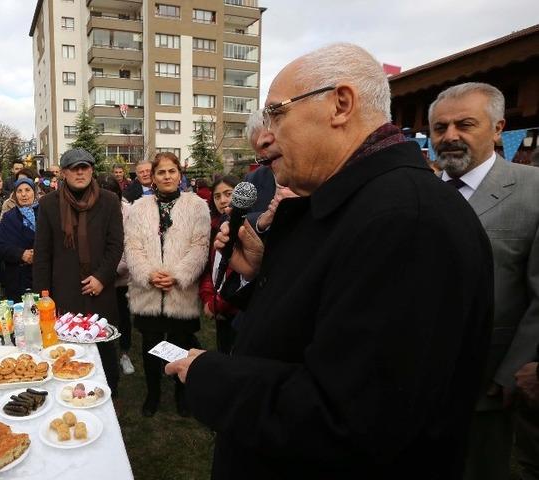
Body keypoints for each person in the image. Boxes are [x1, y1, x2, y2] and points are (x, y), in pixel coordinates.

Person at [165, 43, 494, 478]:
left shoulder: (405, 222)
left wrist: (209, 375)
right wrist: (263, 273)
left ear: (341, 105)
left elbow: (349, 418)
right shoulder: (351, 202)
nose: (264, 136)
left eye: (276, 114)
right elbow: (318, 322)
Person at [428, 82, 539, 480]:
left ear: (497, 128)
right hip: (413, 380)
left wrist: (514, 370)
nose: (450, 136)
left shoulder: (534, 191)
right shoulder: (417, 193)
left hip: (487, 386)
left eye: (465, 124)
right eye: (440, 128)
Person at [125, 152, 210, 417]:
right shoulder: (138, 208)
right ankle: (152, 393)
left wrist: (177, 274)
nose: (167, 177)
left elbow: (200, 246)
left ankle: (181, 392)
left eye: (171, 171)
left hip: (179, 292)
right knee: (150, 344)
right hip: (148, 291)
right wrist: (149, 274)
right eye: (161, 172)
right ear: (153, 177)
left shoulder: (197, 206)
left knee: (180, 344)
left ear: (179, 175)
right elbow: (133, 247)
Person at [33, 148, 124, 395]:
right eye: (74, 168)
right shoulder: (49, 204)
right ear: (63, 173)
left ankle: (108, 393)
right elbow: (42, 253)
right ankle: (69, 391)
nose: (80, 172)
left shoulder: (109, 201)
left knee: (103, 345)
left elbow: (116, 245)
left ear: (92, 170)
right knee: (67, 347)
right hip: (65, 289)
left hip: (99, 288)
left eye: (85, 167)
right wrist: (42, 296)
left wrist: (102, 277)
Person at [96, 173, 135, 375]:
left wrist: (109, 271)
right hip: (98, 280)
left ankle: (124, 353)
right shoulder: (93, 211)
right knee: (101, 320)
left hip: (120, 278)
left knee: (122, 318)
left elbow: (130, 247)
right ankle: (103, 356)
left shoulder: (128, 213)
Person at [199, 175, 241, 354]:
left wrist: (218, 303)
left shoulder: (249, 227)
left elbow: (240, 274)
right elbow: (210, 268)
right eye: (217, 196)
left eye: (228, 194)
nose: (223, 200)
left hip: (239, 310)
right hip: (219, 310)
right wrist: (209, 298)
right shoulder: (214, 227)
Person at [0, 178, 37, 302]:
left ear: (34, 192)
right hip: (18, 276)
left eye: (27, 190)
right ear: (15, 195)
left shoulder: (44, 212)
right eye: (19, 191)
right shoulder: (9, 217)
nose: (23, 194)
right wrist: (21, 254)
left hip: (42, 274)